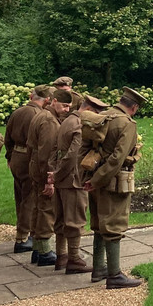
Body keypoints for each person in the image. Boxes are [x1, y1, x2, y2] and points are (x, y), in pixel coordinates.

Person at [87, 87, 147, 289]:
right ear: (135, 107)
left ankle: (98, 268)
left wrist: (92, 178)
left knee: (98, 223)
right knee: (114, 225)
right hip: (114, 181)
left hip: (94, 178)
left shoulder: (102, 116)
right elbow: (117, 159)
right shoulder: (127, 123)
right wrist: (99, 179)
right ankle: (114, 275)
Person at [50, 93, 108, 273]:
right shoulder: (79, 124)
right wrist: (59, 174)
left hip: (62, 179)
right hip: (73, 179)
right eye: (95, 113)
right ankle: (73, 259)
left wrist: (54, 174)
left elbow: (57, 150)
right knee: (75, 220)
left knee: (60, 220)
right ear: (89, 110)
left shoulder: (67, 120)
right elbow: (72, 155)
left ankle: (61, 256)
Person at [3, 84, 53, 253]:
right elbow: (38, 142)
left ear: (32, 96)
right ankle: (23, 237)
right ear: (46, 100)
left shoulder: (17, 112)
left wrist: (9, 156)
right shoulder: (39, 115)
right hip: (28, 158)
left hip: (16, 157)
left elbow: (7, 137)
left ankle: (24, 234)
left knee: (20, 197)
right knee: (30, 200)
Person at [27, 89, 69, 267]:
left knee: (38, 207)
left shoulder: (41, 115)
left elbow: (32, 147)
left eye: (69, 107)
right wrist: (49, 179)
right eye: (64, 105)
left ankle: (37, 249)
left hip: (35, 167)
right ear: (54, 101)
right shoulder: (50, 121)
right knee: (47, 209)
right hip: (43, 170)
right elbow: (48, 152)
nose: (67, 109)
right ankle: (44, 251)